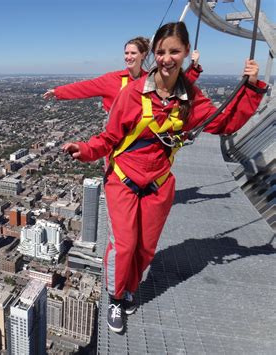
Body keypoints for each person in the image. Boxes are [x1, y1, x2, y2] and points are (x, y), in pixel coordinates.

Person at [62, 22, 267, 333]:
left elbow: (223, 123)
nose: (166, 58)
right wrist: (86, 149)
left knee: (145, 249)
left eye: (173, 51)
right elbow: (109, 138)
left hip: (158, 184)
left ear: (186, 53)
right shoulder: (132, 94)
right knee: (125, 246)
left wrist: (251, 87)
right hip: (123, 180)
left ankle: (130, 288)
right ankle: (116, 298)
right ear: (153, 55)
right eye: (160, 52)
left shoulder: (190, 98)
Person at [43, 36, 203, 113]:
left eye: (133, 53)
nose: (128, 56)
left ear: (143, 55)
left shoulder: (151, 79)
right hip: (116, 137)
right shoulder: (112, 79)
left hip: (142, 136)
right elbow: (84, 87)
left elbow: (175, 88)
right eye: (126, 53)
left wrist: (193, 68)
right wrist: (58, 92)